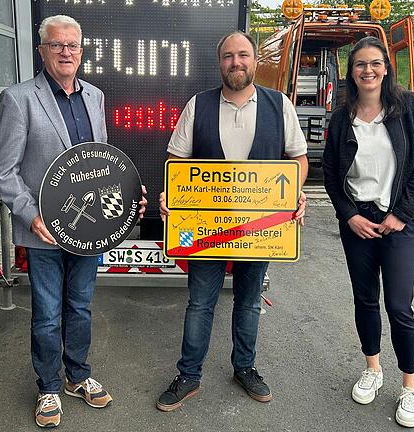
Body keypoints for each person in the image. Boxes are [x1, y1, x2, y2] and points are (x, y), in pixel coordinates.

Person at [0, 15, 147, 428]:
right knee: (46, 313)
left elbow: (103, 161)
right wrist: (31, 215)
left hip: (88, 230)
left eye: (73, 45)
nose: (66, 52)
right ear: (42, 51)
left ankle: (78, 375)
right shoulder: (19, 97)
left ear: (81, 51)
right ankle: (48, 387)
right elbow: (5, 171)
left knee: (79, 307)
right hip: (43, 231)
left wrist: (129, 197)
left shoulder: (95, 96)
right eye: (57, 45)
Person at [156, 31, 308, 412]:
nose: (236, 62)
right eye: (228, 56)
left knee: (248, 302)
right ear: (219, 62)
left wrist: (294, 192)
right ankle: (189, 376)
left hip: (262, 230)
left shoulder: (280, 105)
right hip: (208, 231)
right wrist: (171, 197)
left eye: (243, 55)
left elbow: (299, 160)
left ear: (255, 61)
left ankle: (245, 368)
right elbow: (176, 163)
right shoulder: (198, 105)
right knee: (200, 304)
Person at [322, 36, 414, 428]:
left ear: (386, 68)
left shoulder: (409, 109)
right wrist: (349, 215)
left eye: (374, 63)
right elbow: (332, 178)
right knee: (365, 300)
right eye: (359, 65)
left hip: (400, 222)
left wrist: (401, 215)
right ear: (350, 73)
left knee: (399, 306)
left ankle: (409, 385)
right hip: (358, 223)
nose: (367, 71)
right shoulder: (340, 118)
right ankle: (373, 368)